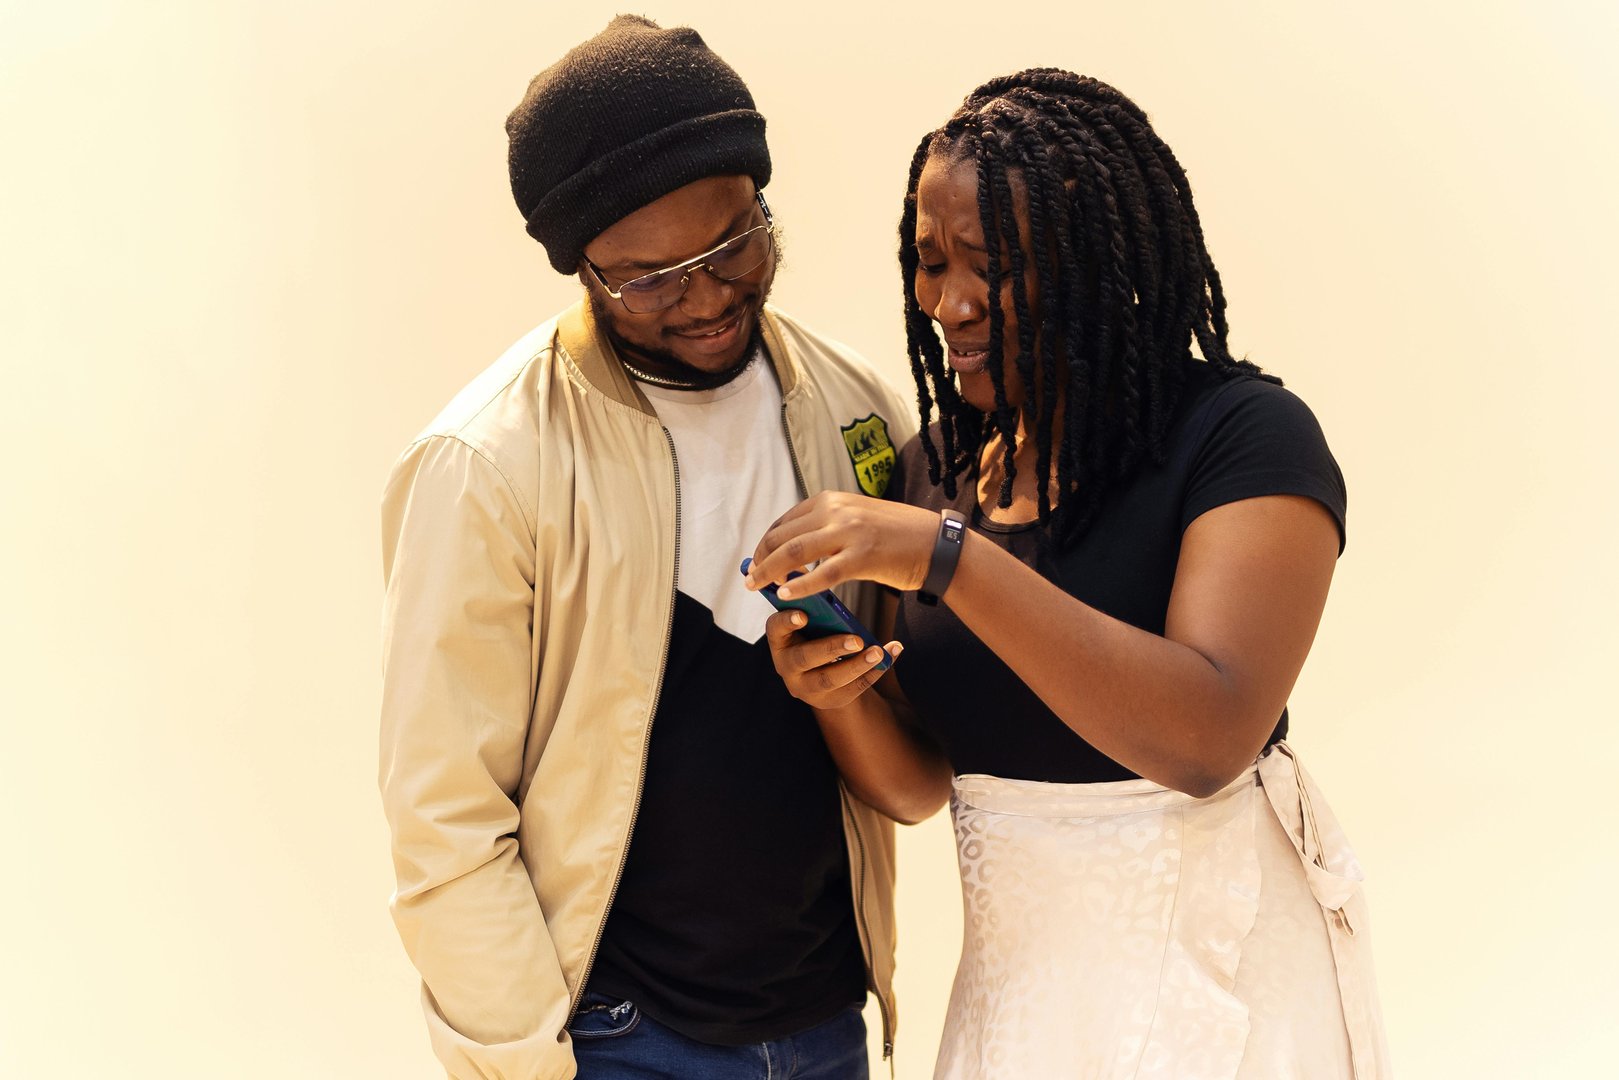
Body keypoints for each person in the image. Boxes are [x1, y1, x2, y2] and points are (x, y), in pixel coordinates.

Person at [747, 69, 1391, 1078]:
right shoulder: (935, 473)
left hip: (1220, 987)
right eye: (928, 263)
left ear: (1092, 257)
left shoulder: (1241, 438)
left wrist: (946, 558)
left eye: (991, 266)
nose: (949, 302)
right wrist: (833, 694)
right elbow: (920, 785)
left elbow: (1207, 738)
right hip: (1022, 1009)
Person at [378, 16, 912, 1080]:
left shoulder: (854, 406)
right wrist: (529, 1060)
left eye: (733, 246)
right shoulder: (486, 464)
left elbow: (910, 719)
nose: (706, 298)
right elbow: (444, 817)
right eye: (651, 278)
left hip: (826, 1024)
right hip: (618, 1043)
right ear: (581, 267)